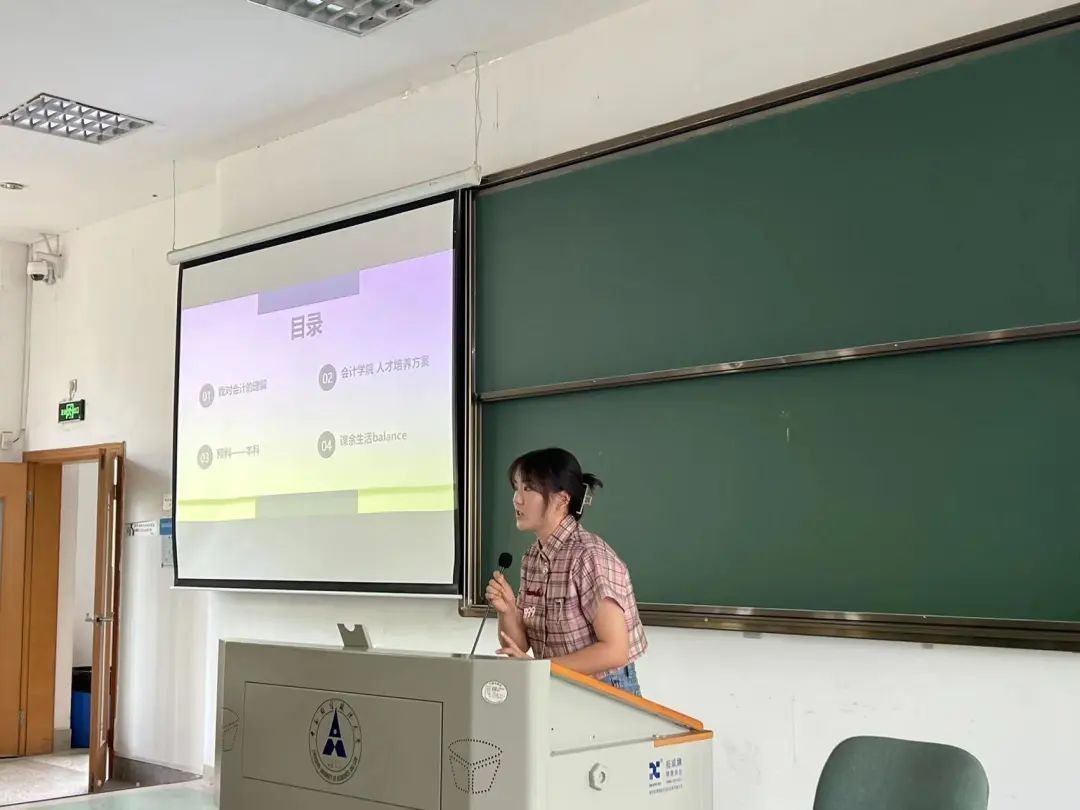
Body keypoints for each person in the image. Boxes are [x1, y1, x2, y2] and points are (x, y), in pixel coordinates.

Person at [486, 447, 648, 695]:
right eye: (516, 488)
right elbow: (520, 646)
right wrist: (507, 611)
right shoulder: (532, 558)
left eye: (528, 488)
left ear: (562, 500)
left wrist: (541, 668)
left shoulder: (588, 555)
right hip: (557, 685)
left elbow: (615, 651)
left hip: (604, 690)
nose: (517, 499)